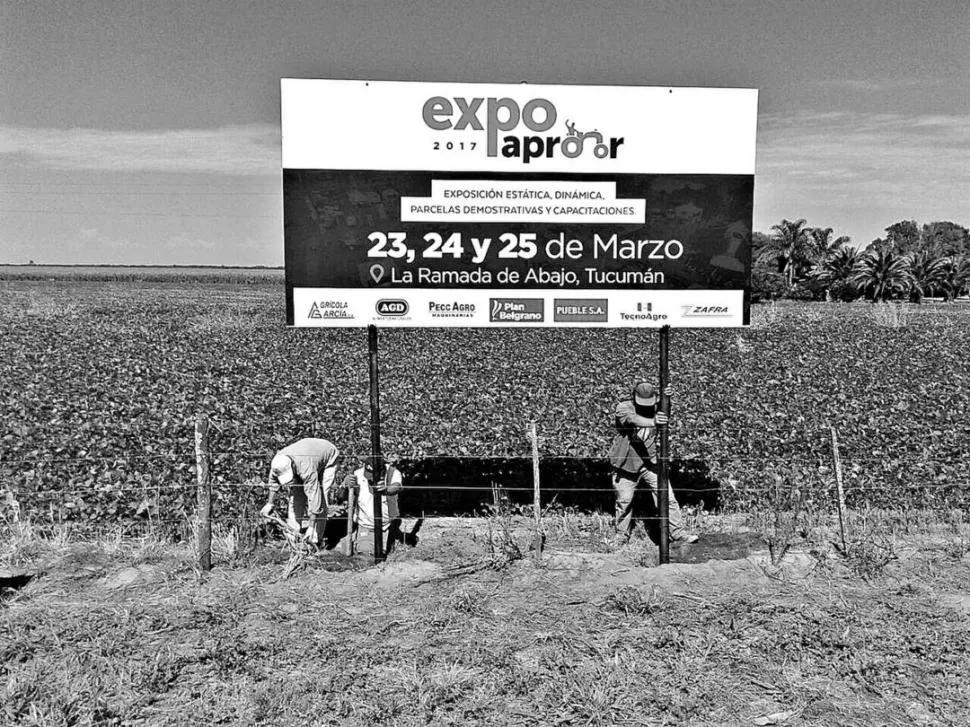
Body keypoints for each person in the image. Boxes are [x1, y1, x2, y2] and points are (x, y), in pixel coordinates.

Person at [608, 382, 698, 544]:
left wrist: (667, 398)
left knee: (667, 497)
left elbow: (665, 416)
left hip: (649, 462)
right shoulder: (624, 407)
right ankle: (621, 536)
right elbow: (633, 419)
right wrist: (653, 422)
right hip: (625, 464)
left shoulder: (657, 408)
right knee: (624, 502)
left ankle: (677, 533)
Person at [260, 437, 340, 548]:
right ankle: (292, 536)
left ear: (292, 466)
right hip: (309, 456)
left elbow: (315, 498)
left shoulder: (305, 467)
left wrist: (310, 526)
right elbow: (273, 483)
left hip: (328, 457)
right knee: (296, 497)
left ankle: (315, 539)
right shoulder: (277, 464)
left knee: (321, 497)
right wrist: (270, 503)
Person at [337, 458, 404, 556]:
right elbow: (340, 498)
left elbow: (397, 486)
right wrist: (345, 485)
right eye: (369, 477)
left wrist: (386, 490)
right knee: (366, 553)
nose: (371, 480)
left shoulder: (393, 473)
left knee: (382, 553)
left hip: (387, 524)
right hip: (365, 524)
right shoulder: (357, 474)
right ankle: (361, 541)